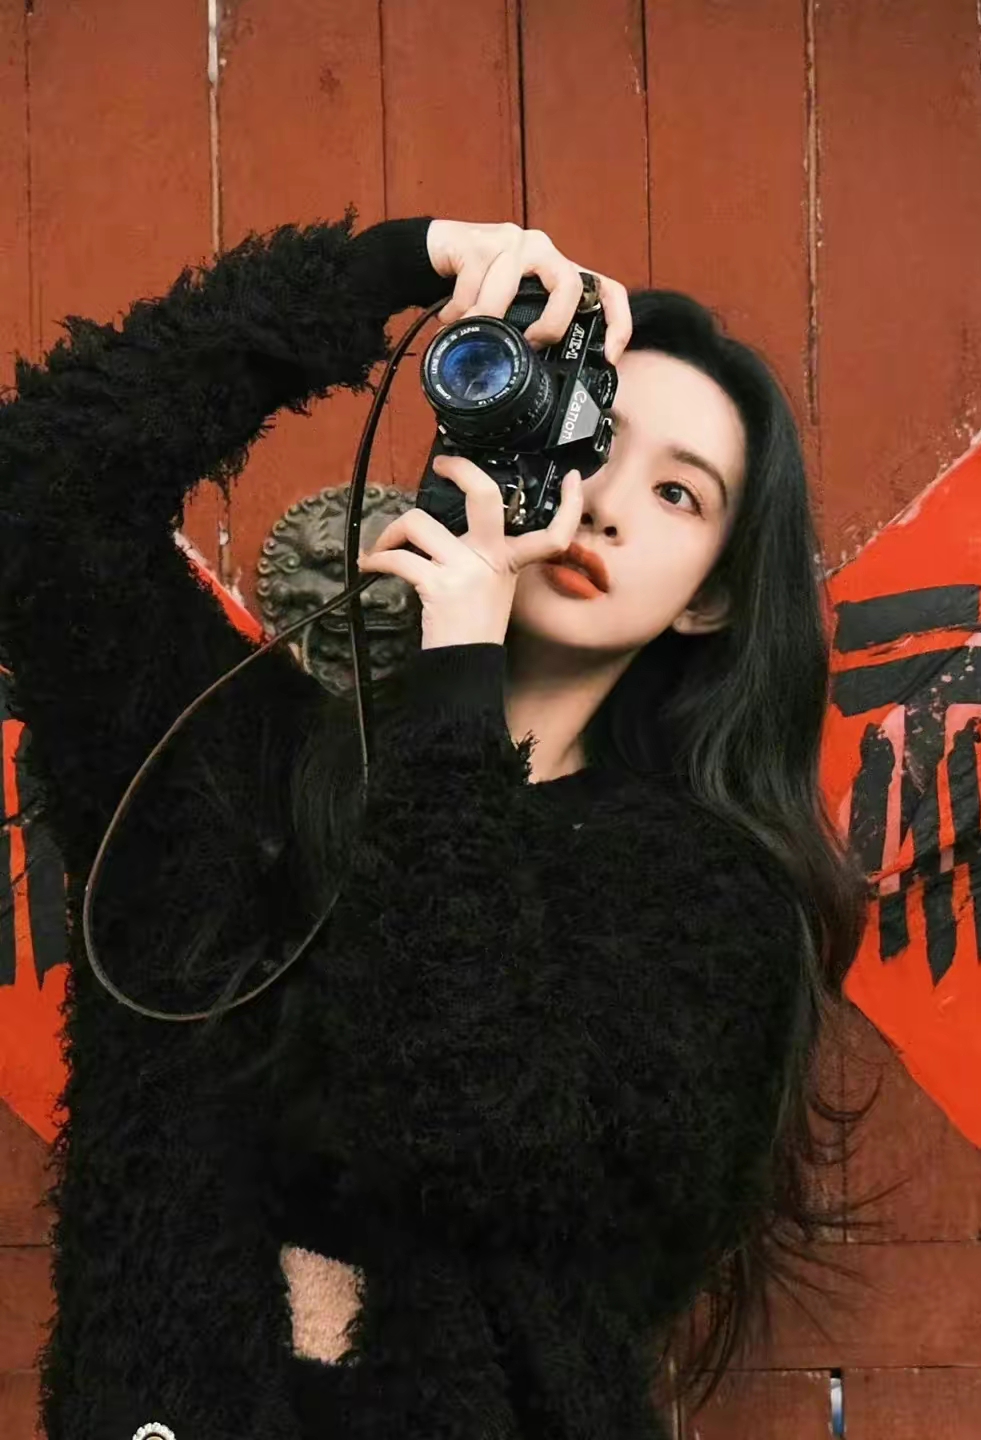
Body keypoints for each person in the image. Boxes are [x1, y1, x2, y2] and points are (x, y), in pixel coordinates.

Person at [0, 212, 866, 1440]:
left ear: (713, 596)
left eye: (678, 493)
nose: (602, 505)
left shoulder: (713, 906)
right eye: (586, 435)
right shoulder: (243, 770)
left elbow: (469, 1123)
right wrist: (397, 268)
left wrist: (463, 669)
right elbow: (41, 491)